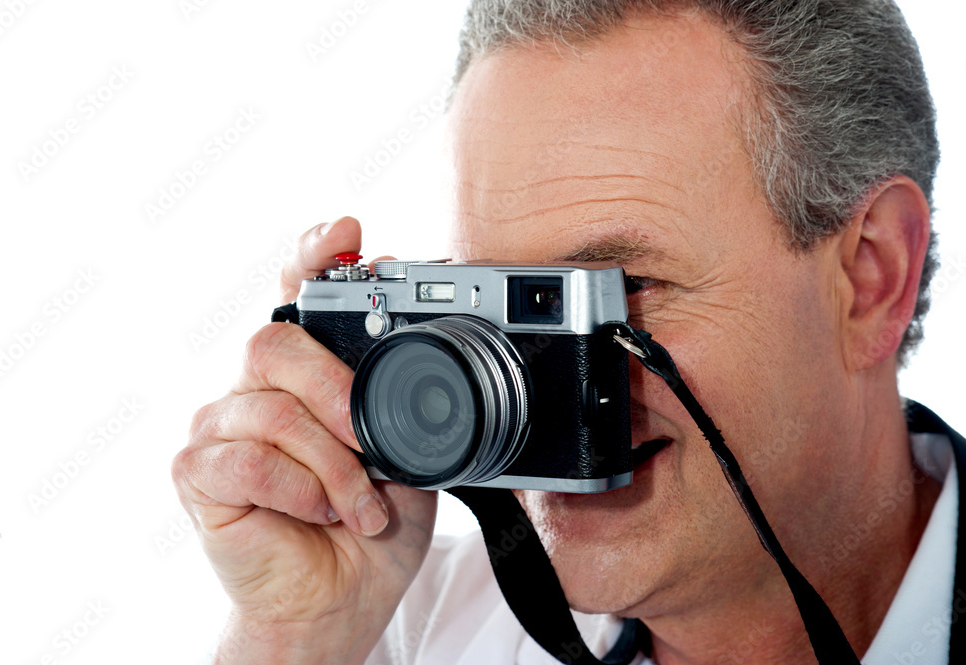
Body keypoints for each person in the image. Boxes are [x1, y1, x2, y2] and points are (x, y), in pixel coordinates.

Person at [172, 1, 964, 663]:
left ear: (870, 275)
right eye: (498, 301)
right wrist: (293, 635)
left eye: (619, 290)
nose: (529, 385)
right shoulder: (399, 630)